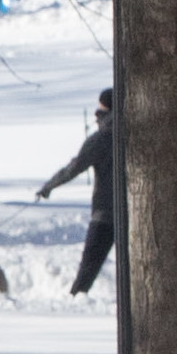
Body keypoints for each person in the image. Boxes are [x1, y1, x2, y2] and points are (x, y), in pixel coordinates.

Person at [39, 90, 118, 295]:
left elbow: (73, 168)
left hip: (105, 213)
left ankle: (76, 298)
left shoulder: (100, 139)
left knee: (89, 266)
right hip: (133, 214)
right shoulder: (136, 135)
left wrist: (48, 187)